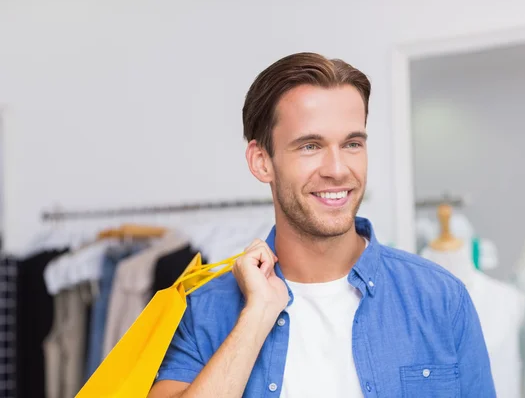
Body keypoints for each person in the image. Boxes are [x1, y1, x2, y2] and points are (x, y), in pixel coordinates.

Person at [149, 52, 495, 397]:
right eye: (310, 146)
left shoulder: (440, 298)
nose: (338, 169)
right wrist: (256, 315)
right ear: (261, 161)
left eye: (352, 144)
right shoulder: (205, 311)